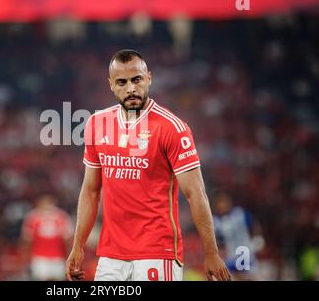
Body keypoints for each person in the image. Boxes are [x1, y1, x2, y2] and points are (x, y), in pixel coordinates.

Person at [66, 49, 231, 281]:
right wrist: (78, 245)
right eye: (122, 82)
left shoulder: (172, 127)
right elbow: (90, 191)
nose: (131, 88)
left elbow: (196, 193)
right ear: (111, 85)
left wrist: (211, 253)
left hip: (157, 253)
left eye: (137, 79)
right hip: (111, 256)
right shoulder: (96, 124)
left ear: (149, 78)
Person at [213, 192, 263, 280]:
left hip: (246, 252)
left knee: (252, 277)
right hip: (230, 256)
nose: (222, 206)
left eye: (224, 203)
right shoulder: (215, 222)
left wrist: (258, 238)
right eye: (220, 204)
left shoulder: (239, 214)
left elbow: (254, 226)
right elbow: (217, 240)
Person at [21, 194, 73, 280]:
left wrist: (68, 257)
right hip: (39, 257)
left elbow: (68, 239)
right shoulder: (32, 217)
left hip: (58, 257)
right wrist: (26, 258)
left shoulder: (62, 217)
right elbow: (27, 240)